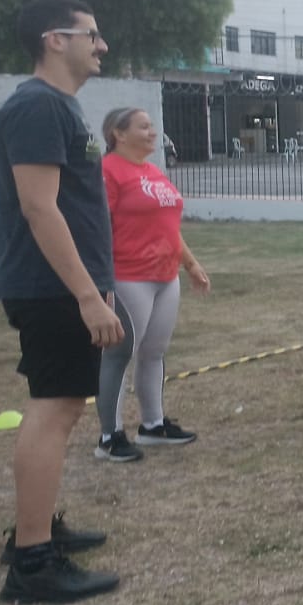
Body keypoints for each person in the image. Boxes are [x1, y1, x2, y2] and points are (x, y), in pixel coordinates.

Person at [0, 0, 123, 603]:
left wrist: (100, 282)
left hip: (65, 285)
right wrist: (86, 296)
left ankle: (35, 528)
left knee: (60, 406)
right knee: (56, 407)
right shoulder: (38, 106)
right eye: (90, 35)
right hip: (50, 289)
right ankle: (32, 562)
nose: (101, 45)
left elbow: (72, 208)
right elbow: (39, 208)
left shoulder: (56, 107)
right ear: (54, 40)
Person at [92, 107, 211, 463]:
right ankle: (109, 437)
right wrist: (99, 281)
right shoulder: (108, 172)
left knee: (154, 352)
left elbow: (168, 227)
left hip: (164, 276)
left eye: (151, 126)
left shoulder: (153, 171)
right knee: (119, 354)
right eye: (143, 127)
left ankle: (153, 425)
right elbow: (97, 227)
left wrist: (189, 263)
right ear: (118, 133)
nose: (152, 132)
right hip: (128, 276)